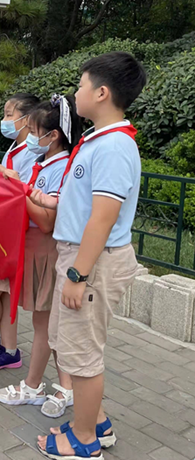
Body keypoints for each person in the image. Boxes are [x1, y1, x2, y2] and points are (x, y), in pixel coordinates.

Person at [31, 52, 146, 459]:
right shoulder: (99, 140)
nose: (76, 93)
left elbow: (103, 218)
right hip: (78, 257)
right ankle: (96, 422)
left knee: (83, 353)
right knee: (69, 343)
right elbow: (81, 206)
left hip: (90, 263)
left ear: (101, 92)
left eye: (81, 85)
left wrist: (79, 276)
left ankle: (84, 441)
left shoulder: (114, 146)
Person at [0, 95, 80, 419]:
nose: (29, 137)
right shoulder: (48, 163)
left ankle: (34, 385)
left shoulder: (61, 167)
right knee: (47, 324)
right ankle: (65, 386)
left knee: (45, 325)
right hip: (35, 249)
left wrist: (18, 188)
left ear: (53, 135)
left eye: (34, 130)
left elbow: (45, 221)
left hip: (45, 250)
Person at [0, 93, 40, 183]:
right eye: (4, 116)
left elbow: (24, 189)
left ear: (27, 119)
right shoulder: (12, 148)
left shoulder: (33, 151)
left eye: (9, 115)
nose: (3, 120)